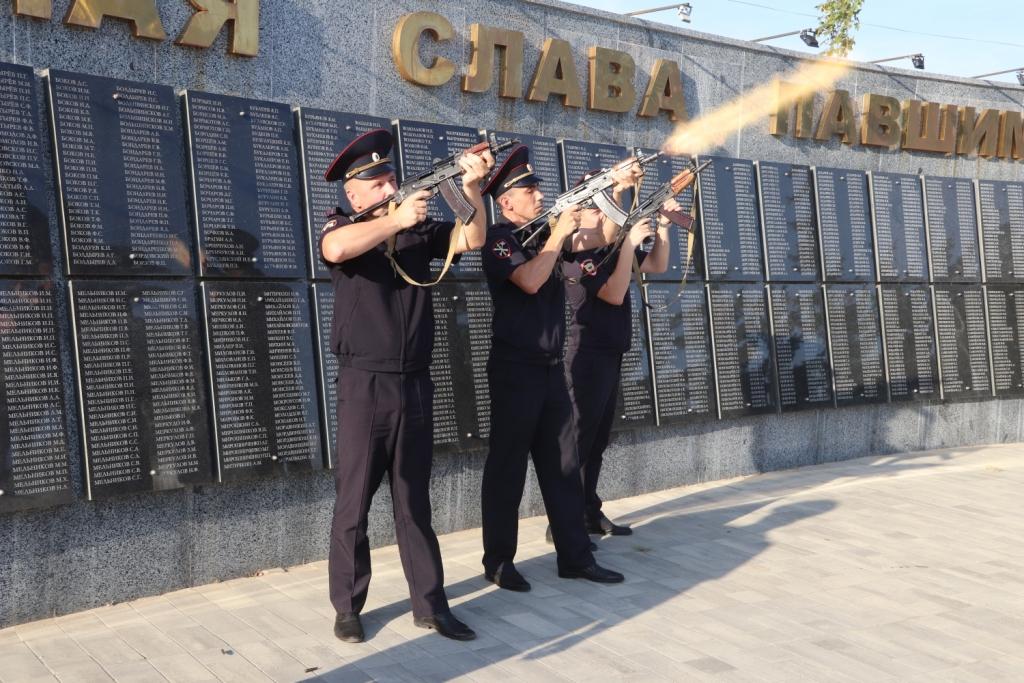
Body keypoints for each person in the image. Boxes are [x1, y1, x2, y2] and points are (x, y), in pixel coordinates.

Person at [319, 128, 493, 643]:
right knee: (354, 502)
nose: (389, 187)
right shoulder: (344, 224)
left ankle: (430, 604)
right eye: (377, 184)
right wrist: (393, 220)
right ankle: (347, 606)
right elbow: (335, 249)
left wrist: (472, 188)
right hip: (365, 383)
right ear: (354, 195)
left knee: (414, 501)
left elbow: (473, 238)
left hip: (415, 380)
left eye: (391, 179)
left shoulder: (419, 229)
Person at [479, 145, 626, 593]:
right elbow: (529, 280)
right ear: (506, 201)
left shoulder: (547, 233)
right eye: (529, 190)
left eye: (538, 187)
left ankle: (575, 557)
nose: (539, 194)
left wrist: (617, 191)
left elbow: (603, 238)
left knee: (563, 466)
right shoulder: (500, 240)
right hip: (514, 371)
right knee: (507, 469)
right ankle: (499, 561)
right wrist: (557, 234)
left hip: (550, 368)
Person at [562, 169, 680, 537]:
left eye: (607, 207)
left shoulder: (611, 250)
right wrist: (628, 243)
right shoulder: (576, 256)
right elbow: (613, 295)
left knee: (597, 441)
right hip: (586, 355)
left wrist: (663, 227)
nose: (605, 214)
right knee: (579, 441)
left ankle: (588, 510)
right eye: (597, 208)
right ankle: (564, 520)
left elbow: (657, 264)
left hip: (611, 353)